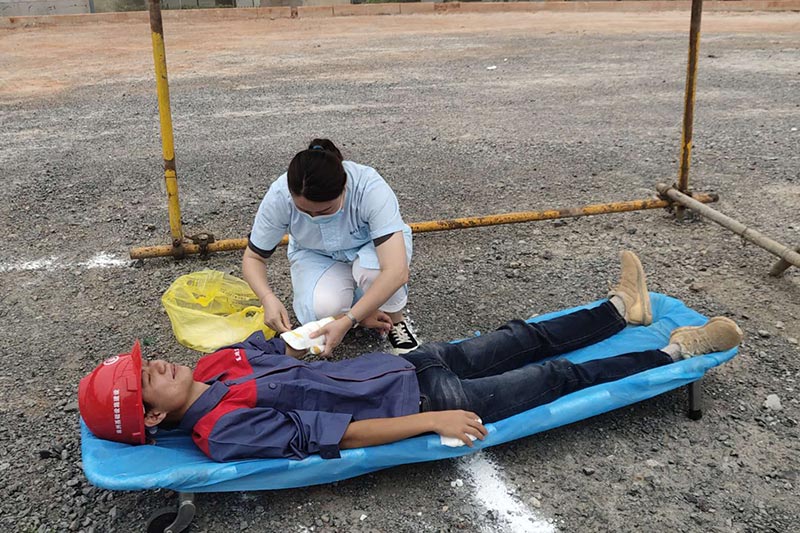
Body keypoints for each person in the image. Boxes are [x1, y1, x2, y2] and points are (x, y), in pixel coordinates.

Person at [79, 252, 742, 462]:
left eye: (145, 362)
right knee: (558, 376)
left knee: (523, 334)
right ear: (155, 419)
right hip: (428, 399)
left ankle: (622, 311)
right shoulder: (222, 432)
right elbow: (334, 433)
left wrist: (340, 321)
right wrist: (431, 422)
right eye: (144, 383)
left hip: (409, 364)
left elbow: (288, 344)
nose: (156, 365)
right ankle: (675, 352)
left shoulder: (214, 366)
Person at [242, 138, 419, 356]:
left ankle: (396, 319)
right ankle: (364, 314)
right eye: (304, 211)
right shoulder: (279, 196)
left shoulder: (369, 187)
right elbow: (254, 257)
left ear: (344, 189)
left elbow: (396, 271)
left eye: (324, 211)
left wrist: (348, 319)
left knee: (374, 273)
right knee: (323, 308)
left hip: (369, 246)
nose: (314, 217)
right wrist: (267, 297)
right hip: (316, 253)